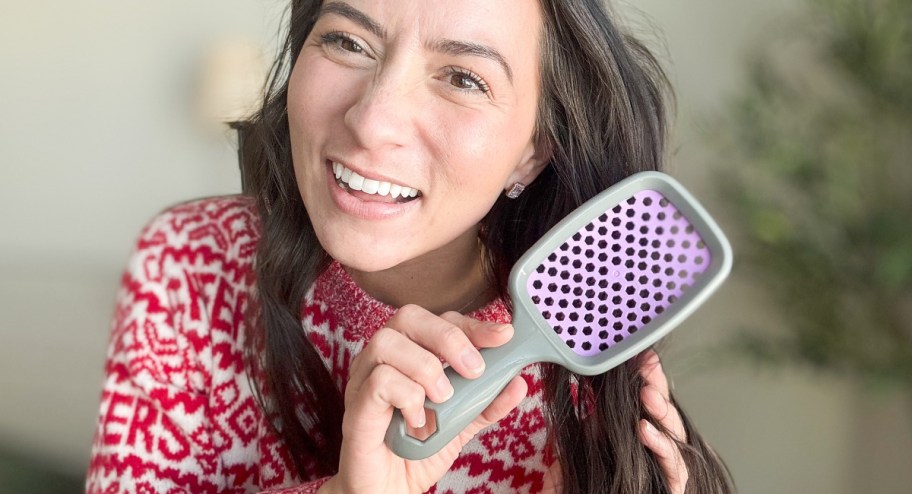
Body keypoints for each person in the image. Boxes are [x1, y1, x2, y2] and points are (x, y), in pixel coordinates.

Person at [86, 0, 734, 492]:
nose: (373, 120)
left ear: (535, 150)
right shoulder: (194, 261)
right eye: (347, 41)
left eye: (462, 78)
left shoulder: (588, 371)